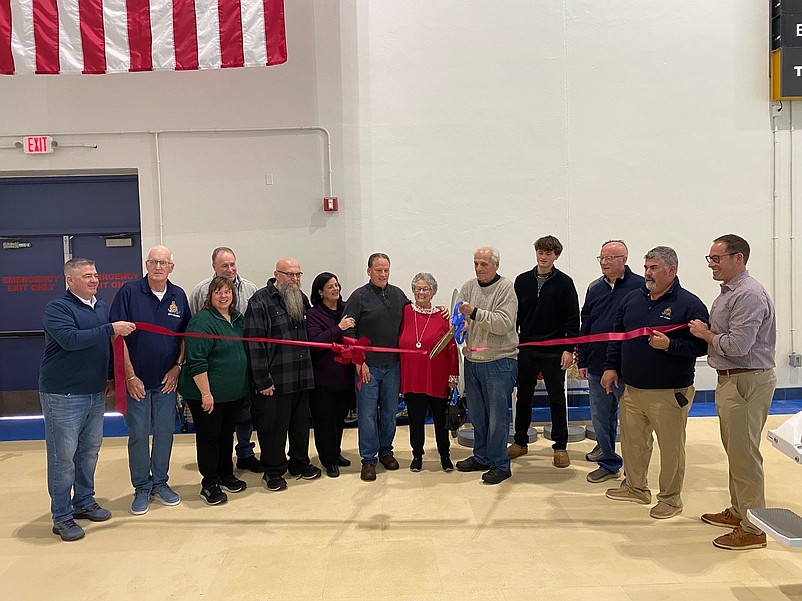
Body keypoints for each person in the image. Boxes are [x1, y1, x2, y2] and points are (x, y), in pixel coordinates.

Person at [601, 246, 709, 519]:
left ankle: (671, 499)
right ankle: (636, 488)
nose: (647, 273)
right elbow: (617, 336)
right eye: (647, 267)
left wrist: (670, 344)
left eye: (654, 267)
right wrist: (611, 367)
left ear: (672, 270)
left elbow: (701, 346)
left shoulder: (690, 304)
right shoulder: (632, 300)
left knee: (671, 448)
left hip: (669, 391)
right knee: (634, 442)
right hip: (632, 388)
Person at [689, 234, 777, 550]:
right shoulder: (729, 292)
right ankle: (740, 512)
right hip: (731, 380)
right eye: (709, 258)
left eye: (717, 258)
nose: (711, 264)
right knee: (735, 451)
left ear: (737, 259)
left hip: (746, 380)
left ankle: (754, 530)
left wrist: (705, 334)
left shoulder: (749, 295)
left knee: (745, 456)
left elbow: (739, 346)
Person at [39, 258, 136, 541]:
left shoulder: (101, 307)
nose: (94, 280)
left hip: (94, 393)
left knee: (89, 452)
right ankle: (61, 515)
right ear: (70, 280)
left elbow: (104, 347)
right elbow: (70, 339)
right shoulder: (57, 308)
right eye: (86, 276)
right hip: (63, 394)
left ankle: (84, 501)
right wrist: (111, 328)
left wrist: (109, 377)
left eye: (95, 275)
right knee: (63, 458)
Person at [109, 245, 191, 515]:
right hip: (137, 383)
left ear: (171, 267)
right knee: (139, 435)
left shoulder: (178, 295)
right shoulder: (129, 292)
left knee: (165, 433)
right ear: (146, 264)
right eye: (154, 262)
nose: (158, 267)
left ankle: (161, 483)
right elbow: (117, 336)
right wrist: (129, 375)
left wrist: (177, 367)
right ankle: (142, 487)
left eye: (164, 262)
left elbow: (184, 337)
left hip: (167, 381)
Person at [244, 259, 321, 492]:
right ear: (276, 274)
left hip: (300, 377)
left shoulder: (302, 299)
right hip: (274, 380)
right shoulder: (260, 301)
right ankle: (273, 470)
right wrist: (262, 379)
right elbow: (254, 344)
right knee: (273, 428)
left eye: (298, 275)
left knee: (300, 425)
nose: (295, 279)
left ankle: (299, 462)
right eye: (290, 275)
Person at [189, 247, 261, 473]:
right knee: (214, 429)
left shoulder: (251, 289)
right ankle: (214, 473)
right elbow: (195, 336)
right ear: (214, 267)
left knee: (243, 416)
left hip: (241, 370)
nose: (230, 270)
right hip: (212, 376)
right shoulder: (200, 293)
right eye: (224, 266)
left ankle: (244, 453)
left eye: (232, 265)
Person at [577, 240, 644, 483]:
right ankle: (608, 460)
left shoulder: (640, 287)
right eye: (601, 258)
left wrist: (614, 366)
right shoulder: (595, 288)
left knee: (631, 423)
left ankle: (635, 474)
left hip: (626, 368)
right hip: (595, 364)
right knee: (600, 417)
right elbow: (587, 325)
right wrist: (582, 358)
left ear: (624, 259)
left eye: (610, 258)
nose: (604, 263)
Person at [509, 235, 579, 468]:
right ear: (536, 252)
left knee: (557, 399)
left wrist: (569, 349)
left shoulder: (565, 283)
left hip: (554, 350)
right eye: (540, 252)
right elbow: (514, 315)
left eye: (549, 253)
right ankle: (520, 441)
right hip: (527, 349)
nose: (543, 256)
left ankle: (560, 446)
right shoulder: (522, 281)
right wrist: (513, 341)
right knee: (524, 397)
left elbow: (573, 318)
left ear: (556, 256)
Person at [178, 276, 249, 505]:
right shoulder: (202, 322)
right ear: (210, 296)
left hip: (232, 394)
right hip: (207, 395)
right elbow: (196, 360)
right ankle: (209, 482)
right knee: (210, 437)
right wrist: (206, 394)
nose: (223, 296)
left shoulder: (237, 319)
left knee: (227, 434)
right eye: (218, 292)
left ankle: (225, 474)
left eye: (227, 292)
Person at [455, 246, 519, 485]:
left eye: (484, 264)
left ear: (496, 265)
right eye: (476, 263)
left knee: (497, 418)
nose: (479, 268)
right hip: (473, 361)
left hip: (499, 362)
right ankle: (481, 456)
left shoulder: (506, 288)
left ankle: (501, 463)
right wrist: (460, 326)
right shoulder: (468, 287)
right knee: (478, 416)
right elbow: (461, 318)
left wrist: (475, 313)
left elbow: (504, 323)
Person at [343, 253, 409, 481]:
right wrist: (359, 362)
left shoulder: (398, 295)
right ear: (369, 271)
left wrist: (438, 310)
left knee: (391, 412)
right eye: (378, 270)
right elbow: (348, 332)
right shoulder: (358, 297)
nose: (383, 274)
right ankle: (368, 459)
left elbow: (414, 318)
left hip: (392, 367)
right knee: (368, 415)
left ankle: (386, 452)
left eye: (386, 270)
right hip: (367, 368)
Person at [398, 273, 459, 472]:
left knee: (440, 420)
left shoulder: (442, 316)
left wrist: (454, 374)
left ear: (433, 292)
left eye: (426, 289)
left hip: (437, 377)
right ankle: (417, 456)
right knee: (415, 420)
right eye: (417, 288)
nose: (421, 292)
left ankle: (445, 455)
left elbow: (451, 346)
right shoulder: (406, 311)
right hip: (412, 376)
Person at [306, 272, 356, 478]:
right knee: (324, 422)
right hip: (323, 379)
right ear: (320, 292)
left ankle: (336, 453)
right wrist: (339, 328)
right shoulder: (313, 314)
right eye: (330, 287)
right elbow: (317, 343)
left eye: (336, 285)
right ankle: (328, 460)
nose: (335, 289)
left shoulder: (346, 309)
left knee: (339, 420)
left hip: (345, 377)